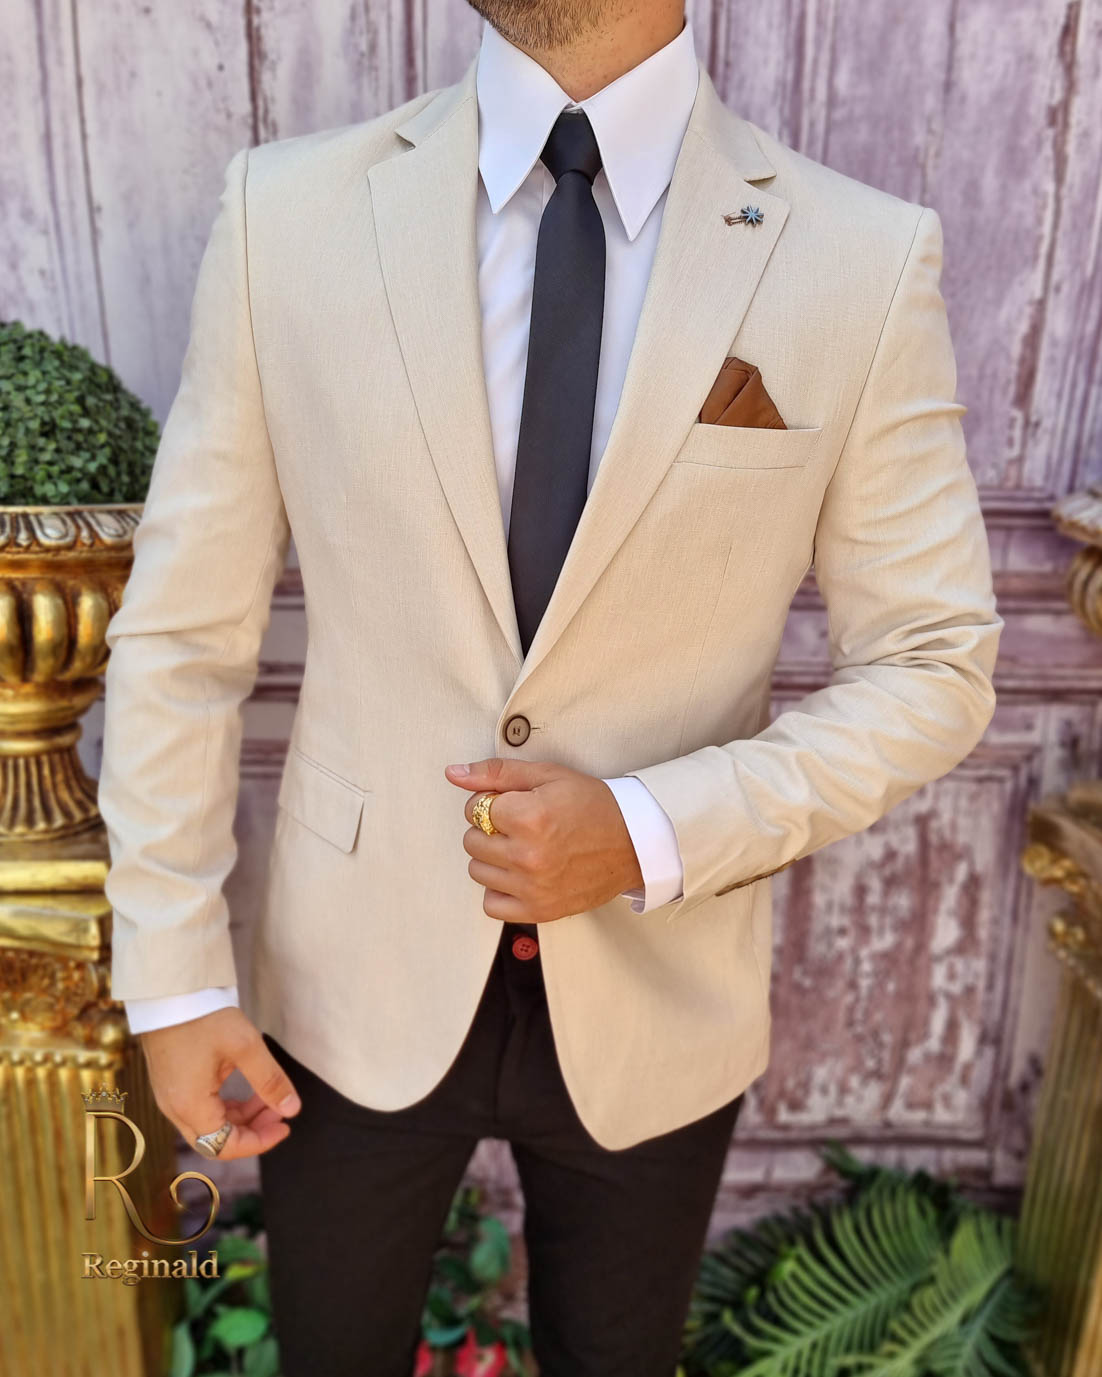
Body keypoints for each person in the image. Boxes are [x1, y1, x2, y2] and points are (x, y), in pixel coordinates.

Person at [97, 1, 1003, 1373]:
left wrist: (646, 828)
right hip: (350, 981)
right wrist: (172, 985)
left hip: (661, 989)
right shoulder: (285, 214)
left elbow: (934, 662)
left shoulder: (858, 258)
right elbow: (180, 636)